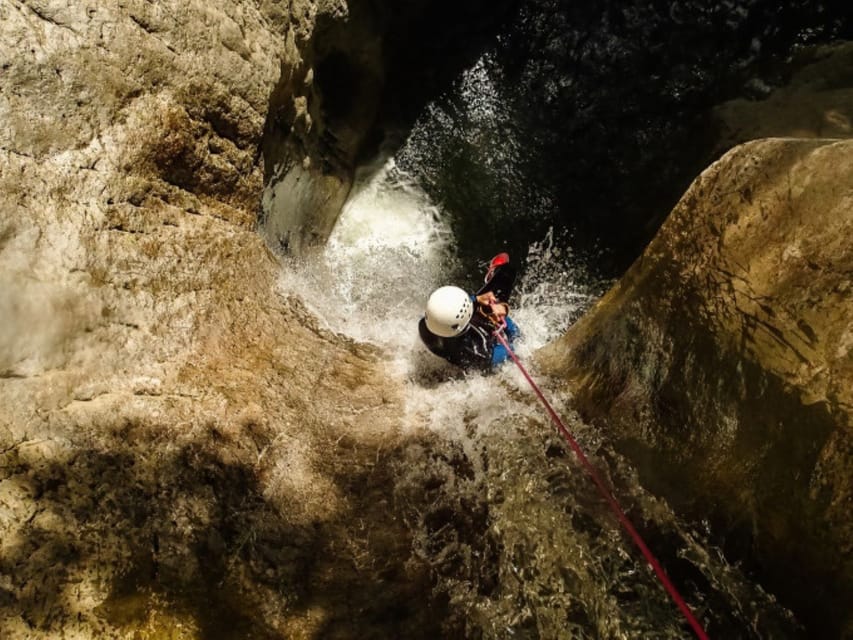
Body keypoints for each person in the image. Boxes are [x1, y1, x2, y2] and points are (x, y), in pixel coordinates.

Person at [418, 253, 520, 371]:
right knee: (505, 276)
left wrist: (477, 299)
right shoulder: (482, 353)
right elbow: (516, 344)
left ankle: (481, 300)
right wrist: (502, 315)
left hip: (454, 336)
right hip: (473, 345)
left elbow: (450, 313)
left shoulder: (426, 327)